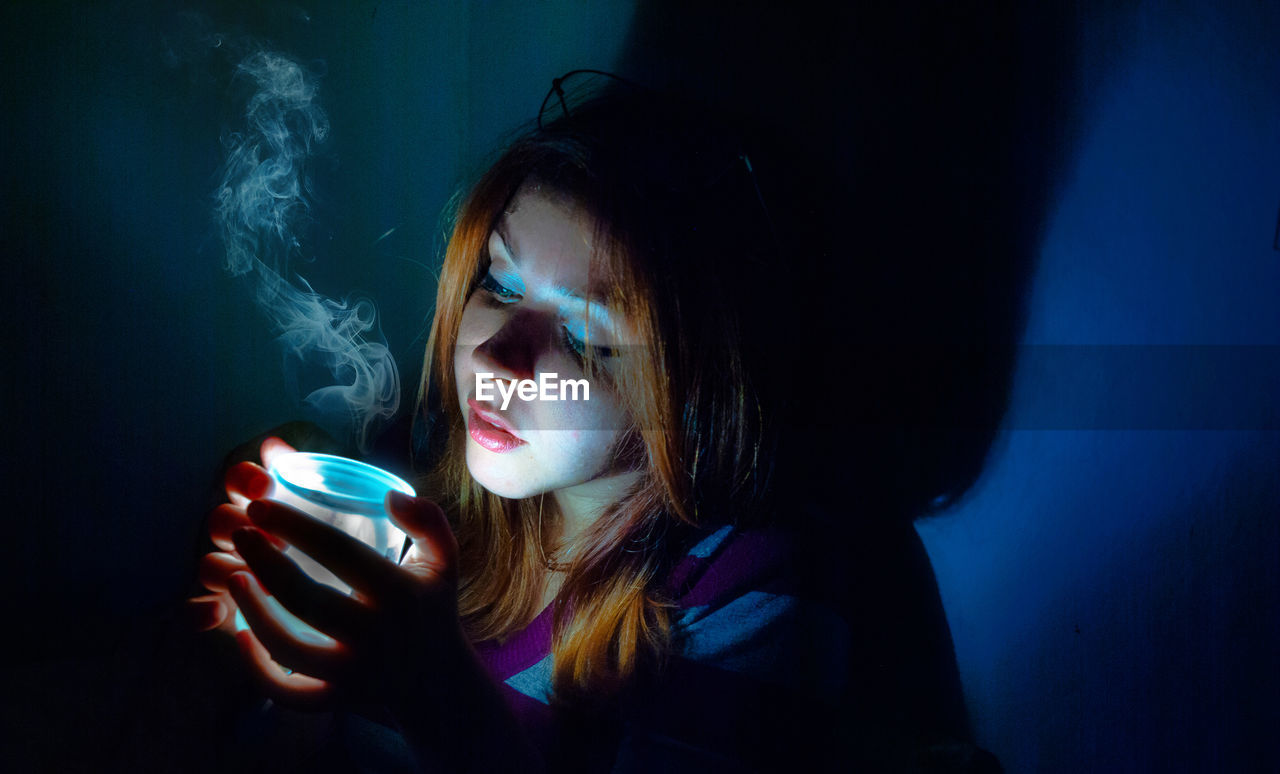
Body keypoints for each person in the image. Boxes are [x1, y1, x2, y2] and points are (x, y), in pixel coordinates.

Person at [187, 82, 990, 772]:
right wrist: (287, 661)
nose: (499, 356)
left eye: (585, 338)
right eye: (499, 285)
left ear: (696, 392)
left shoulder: (747, 588)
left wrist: (430, 685)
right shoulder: (434, 495)